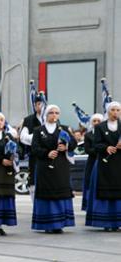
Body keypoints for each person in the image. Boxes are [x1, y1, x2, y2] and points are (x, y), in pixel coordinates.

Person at [30, 104, 76, 234]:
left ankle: (60, 223)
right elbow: (34, 148)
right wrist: (46, 153)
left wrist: (66, 147)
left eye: (57, 113)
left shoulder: (64, 129)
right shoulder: (38, 130)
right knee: (46, 195)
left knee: (61, 193)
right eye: (51, 112)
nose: (54, 115)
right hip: (45, 167)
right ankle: (47, 223)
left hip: (61, 167)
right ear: (46, 114)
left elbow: (74, 142)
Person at [85, 102, 121, 231]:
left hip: (119, 164)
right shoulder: (100, 127)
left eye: (118, 110)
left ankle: (118, 222)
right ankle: (106, 222)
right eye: (113, 110)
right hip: (105, 165)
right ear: (108, 111)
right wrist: (106, 148)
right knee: (104, 191)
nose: (115, 112)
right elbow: (96, 145)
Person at [20, 98, 45, 196]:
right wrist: (38, 137)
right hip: (34, 155)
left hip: (49, 155)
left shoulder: (51, 118)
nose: (40, 106)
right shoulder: (28, 120)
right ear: (34, 106)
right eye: (38, 104)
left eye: (42, 104)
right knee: (33, 181)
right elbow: (23, 137)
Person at [82, 114, 104, 211]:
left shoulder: (105, 133)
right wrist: (100, 149)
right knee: (89, 183)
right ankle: (89, 206)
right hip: (92, 162)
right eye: (94, 121)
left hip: (103, 162)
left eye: (98, 121)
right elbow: (87, 149)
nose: (96, 123)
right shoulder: (88, 135)